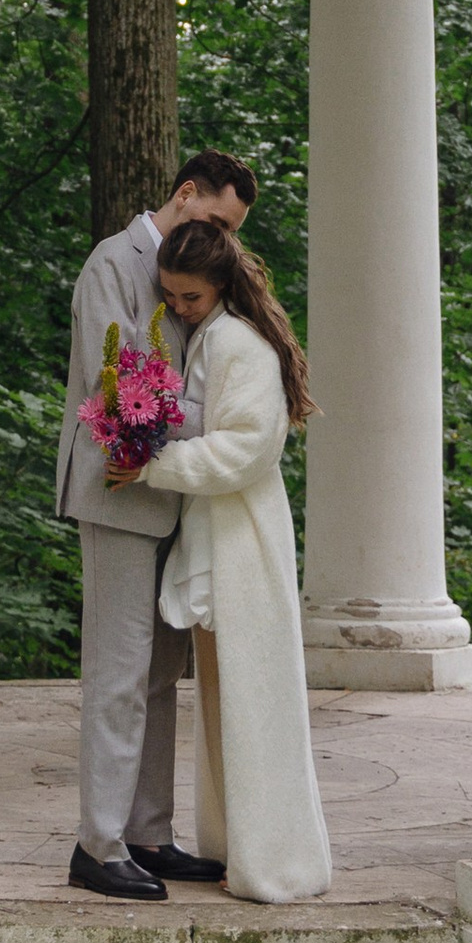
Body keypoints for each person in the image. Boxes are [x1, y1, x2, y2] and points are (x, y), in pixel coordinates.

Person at [55, 150, 258, 899]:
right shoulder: (115, 261)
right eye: (218, 222)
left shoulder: (192, 274)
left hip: (173, 492)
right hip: (117, 491)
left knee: (160, 673)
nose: (223, 242)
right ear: (185, 195)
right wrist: (228, 423)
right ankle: (97, 844)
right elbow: (123, 389)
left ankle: (146, 832)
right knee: (117, 670)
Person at [136, 208, 332, 904]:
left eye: (190, 295)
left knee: (256, 704)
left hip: (244, 542)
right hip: (219, 537)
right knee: (225, 704)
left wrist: (154, 464)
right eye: (170, 295)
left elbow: (249, 447)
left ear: (220, 283)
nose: (178, 307)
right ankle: (234, 849)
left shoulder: (239, 344)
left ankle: (276, 862)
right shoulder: (208, 336)